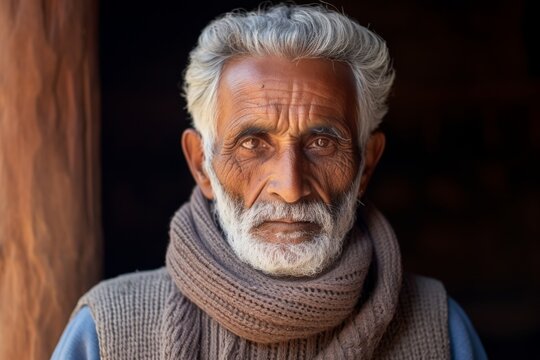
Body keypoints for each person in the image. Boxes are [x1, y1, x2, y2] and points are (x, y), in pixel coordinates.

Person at [52, 4, 487, 359]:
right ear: (202, 164)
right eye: (253, 144)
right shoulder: (109, 332)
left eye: (321, 142)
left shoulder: (438, 327)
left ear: (366, 166)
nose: (290, 186)